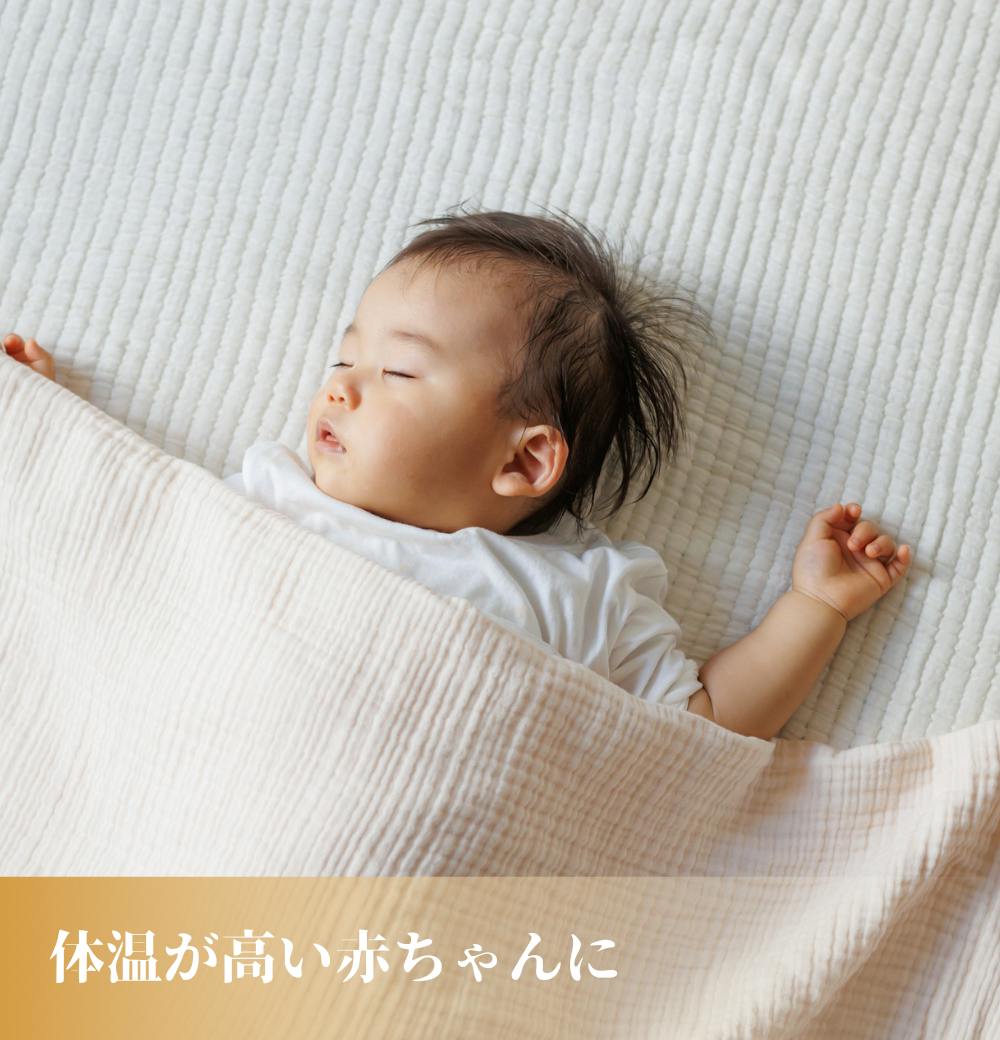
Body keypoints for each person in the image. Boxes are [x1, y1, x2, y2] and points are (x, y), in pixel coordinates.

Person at [3, 206, 911, 740]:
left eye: (397, 371)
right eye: (344, 358)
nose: (339, 388)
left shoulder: (578, 593)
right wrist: (45, 423)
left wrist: (814, 609)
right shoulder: (272, 496)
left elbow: (699, 728)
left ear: (525, 458)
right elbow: (131, 546)